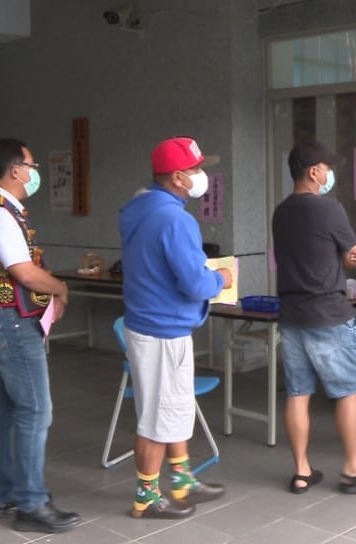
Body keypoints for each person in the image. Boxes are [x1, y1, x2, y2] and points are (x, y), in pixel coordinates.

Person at [0, 138, 80, 533]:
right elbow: (25, 272)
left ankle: (7, 495)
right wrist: (61, 289)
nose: (34, 174)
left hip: (3, 324)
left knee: (2, 413)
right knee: (35, 410)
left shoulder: (2, 211)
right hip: (12, 325)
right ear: (15, 169)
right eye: (32, 166)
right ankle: (31, 503)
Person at [119, 137, 232, 519]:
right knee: (156, 417)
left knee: (173, 409)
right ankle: (146, 496)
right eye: (196, 169)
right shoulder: (175, 219)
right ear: (178, 177)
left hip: (151, 325)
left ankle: (182, 479)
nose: (202, 176)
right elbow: (196, 283)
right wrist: (222, 279)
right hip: (162, 331)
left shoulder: (141, 208)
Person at [272, 141, 356, 495]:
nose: (329, 174)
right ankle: (353, 470)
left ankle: (301, 471)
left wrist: (346, 258)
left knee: (298, 393)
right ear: (314, 172)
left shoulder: (281, 212)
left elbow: (320, 256)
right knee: (348, 392)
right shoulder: (329, 209)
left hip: (292, 315)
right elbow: (353, 253)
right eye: (326, 168)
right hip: (328, 314)